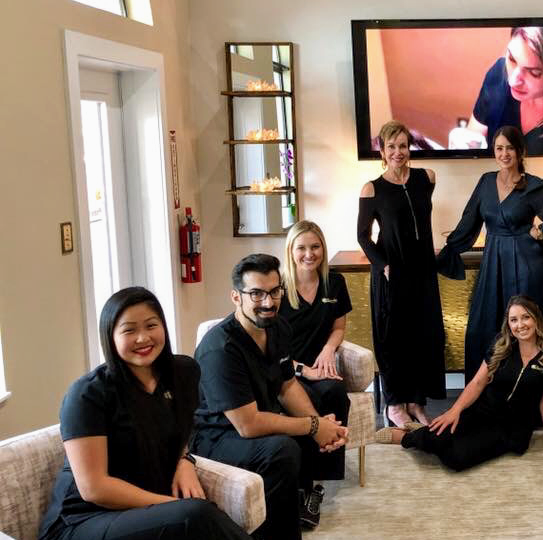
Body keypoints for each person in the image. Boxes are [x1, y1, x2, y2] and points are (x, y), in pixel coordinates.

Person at [39, 287, 251, 540]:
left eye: (151, 325)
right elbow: (94, 488)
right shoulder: (87, 394)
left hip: (138, 510)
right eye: (129, 330)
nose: (143, 338)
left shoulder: (184, 373)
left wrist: (184, 460)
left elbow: (177, 427)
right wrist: (172, 506)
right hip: (82, 521)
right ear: (110, 336)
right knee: (195, 516)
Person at [191, 254, 348, 539]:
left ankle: (301, 499)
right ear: (236, 297)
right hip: (217, 436)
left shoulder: (277, 327)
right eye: (256, 293)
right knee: (282, 449)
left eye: (275, 291)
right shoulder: (220, 348)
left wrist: (319, 425)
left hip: (256, 416)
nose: (268, 302)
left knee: (316, 408)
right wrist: (313, 426)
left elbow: (287, 386)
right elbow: (248, 425)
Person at [375, 295, 543, 471]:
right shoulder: (501, 347)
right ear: (509, 325)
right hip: (483, 411)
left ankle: (418, 432)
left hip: (513, 428)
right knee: (441, 434)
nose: (520, 325)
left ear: (536, 318)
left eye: (526, 317)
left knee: (457, 459)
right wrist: (455, 410)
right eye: (514, 320)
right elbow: (477, 383)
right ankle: (407, 436)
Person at [438, 125, 543, 382]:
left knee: (528, 331)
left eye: (510, 148)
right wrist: (448, 249)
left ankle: (535, 390)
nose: (504, 154)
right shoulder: (486, 182)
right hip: (493, 263)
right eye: (499, 148)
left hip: (527, 264)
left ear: (520, 151)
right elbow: (469, 220)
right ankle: (487, 392)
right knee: (483, 327)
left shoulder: (533, 186)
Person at [358, 120, 446, 428]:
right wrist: (383, 265)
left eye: (403, 146)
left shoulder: (426, 178)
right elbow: (363, 236)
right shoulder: (372, 189)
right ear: (382, 151)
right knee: (393, 340)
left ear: (410, 148)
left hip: (423, 272)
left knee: (424, 336)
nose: (398, 152)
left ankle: (416, 402)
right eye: (391, 146)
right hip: (391, 274)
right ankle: (394, 404)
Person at [278, 220, 352, 483]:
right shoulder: (278, 289)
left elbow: (339, 327)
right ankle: (306, 476)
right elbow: (269, 348)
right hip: (286, 371)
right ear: (291, 251)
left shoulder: (335, 282)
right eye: (301, 248)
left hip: (319, 367)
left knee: (336, 392)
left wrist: (329, 349)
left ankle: (329, 472)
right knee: (310, 400)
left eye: (315, 247)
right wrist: (303, 370)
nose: (309, 254)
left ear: (323, 248)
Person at [468, 26, 543, 154]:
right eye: (512, 59)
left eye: (534, 72)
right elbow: (475, 136)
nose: (512, 81)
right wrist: (466, 145)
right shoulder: (498, 74)